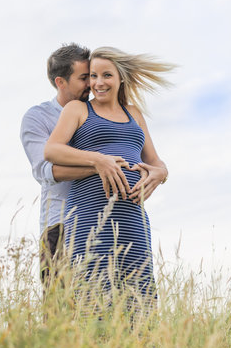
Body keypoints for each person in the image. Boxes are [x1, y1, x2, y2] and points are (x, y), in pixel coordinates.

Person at [44, 46, 173, 309]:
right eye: (92, 76)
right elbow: (52, 150)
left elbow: (155, 162)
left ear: (120, 78)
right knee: (94, 306)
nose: (98, 83)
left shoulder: (133, 113)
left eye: (106, 75)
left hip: (134, 220)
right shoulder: (78, 110)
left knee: (140, 306)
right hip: (90, 218)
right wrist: (98, 159)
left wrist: (159, 174)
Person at [20, 43, 149, 289]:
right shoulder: (38, 117)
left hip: (109, 217)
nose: (92, 84)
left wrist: (157, 170)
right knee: (62, 310)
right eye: (85, 77)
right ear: (61, 82)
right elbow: (46, 171)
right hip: (61, 223)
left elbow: (140, 156)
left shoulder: (103, 112)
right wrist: (100, 163)